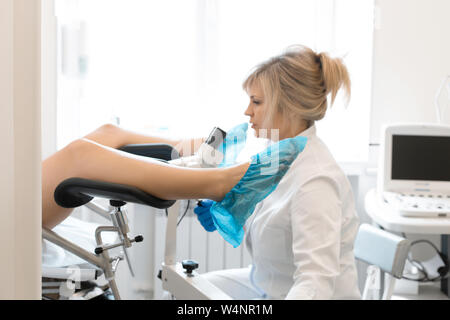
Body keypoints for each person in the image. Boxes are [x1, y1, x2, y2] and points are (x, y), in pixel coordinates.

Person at [194, 45, 361, 300]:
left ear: (290, 106)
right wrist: (228, 210)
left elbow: (314, 283)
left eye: (257, 102)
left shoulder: (316, 181)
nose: (247, 111)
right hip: (268, 285)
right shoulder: (276, 152)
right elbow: (273, 218)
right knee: (186, 292)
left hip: (301, 294)